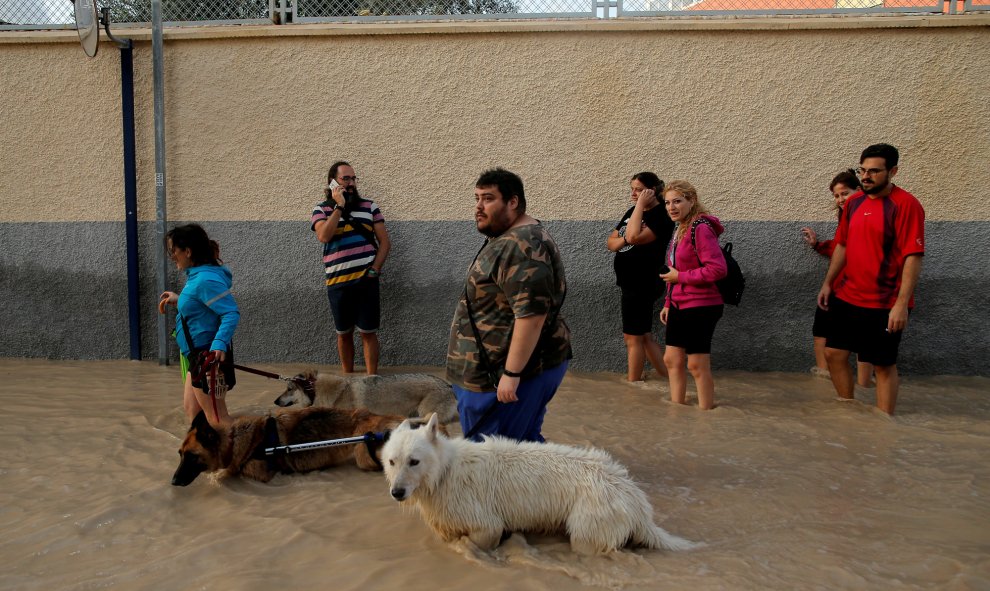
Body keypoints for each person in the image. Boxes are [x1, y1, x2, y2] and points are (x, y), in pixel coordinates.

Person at [447, 168, 572, 442]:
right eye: (477, 198)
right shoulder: (512, 237)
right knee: (521, 450)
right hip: (496, 371)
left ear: (512, 202)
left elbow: (531, 317)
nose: (479, 207)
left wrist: (512, 374)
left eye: (488, 199)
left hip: (506, 375)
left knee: (495, 460)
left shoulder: (522, 245)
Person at [817, 144, 925, 415]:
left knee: (882, 364)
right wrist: (828, 282)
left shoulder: (906, 205)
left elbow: (913, 256)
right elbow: (842, 244)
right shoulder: (853, 202)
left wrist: (901, 304)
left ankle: (883, 425)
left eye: (874, 171)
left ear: (893, 171)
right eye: (863, 170)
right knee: (833, 354)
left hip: (886, 302)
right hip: (848, 295)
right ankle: (849, 411)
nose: (866, 176)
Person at [311, 161, 391, 375]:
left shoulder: (370, 207)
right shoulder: (321, 209)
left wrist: (375, 269)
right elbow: (324, 236)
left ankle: (371, 380)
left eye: (353, 178)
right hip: (337, 284)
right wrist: (339, 206)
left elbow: (385, 242)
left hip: (366, 281)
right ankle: (347, 379)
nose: (351, 183)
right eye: (346, 179)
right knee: (343, 334)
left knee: (368, 333)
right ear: (333, 182)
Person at [159, 224, 240, 427]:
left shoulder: (205, 279)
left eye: (173, 250)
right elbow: (204, 307)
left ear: (188, 251)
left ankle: (242, 454)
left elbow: (230, 312)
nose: (172, 256)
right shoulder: (197, 276)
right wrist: (180, 301)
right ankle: (210, 456)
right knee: (194, 411)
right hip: (197, 355)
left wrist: (219, 343)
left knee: (217, 419)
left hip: (208, 356)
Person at [800, 169, 875, 387]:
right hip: (836, 285)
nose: (840, 199)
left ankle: (864, 384)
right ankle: (824, 380)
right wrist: (818, 246)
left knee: (863, 336)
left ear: (859, 191)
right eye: (836, 196)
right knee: (821, 329)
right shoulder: (846, 216)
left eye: (845, 193)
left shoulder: (869, 214)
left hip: (860, 287)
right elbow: (840, 247)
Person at [659, 180, 727, 410]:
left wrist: (681, 278)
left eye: (677, 201)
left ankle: (706, 414)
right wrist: (668, 302)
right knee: (671, 359)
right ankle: (677, 412)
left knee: (696, 365)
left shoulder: (701, 228)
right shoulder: (679, 228)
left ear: (692, 201)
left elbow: (718, 269)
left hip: (702, 305)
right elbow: (672, 270)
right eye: (667, 202)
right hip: (679, 303)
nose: (671, 207)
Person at [606, 172, 674, 382]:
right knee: (643, 336)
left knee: (632, 337)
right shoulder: (632, 212)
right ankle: (670, 378)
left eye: (638, 189)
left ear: (652, 190)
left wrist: (629, 234)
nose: (633, 194)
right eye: (632, 189)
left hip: (642, 282)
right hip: (630, 282)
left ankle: (632, 384)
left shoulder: (661, 215)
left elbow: (635, 236)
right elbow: (611, 243)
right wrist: (626, 238)